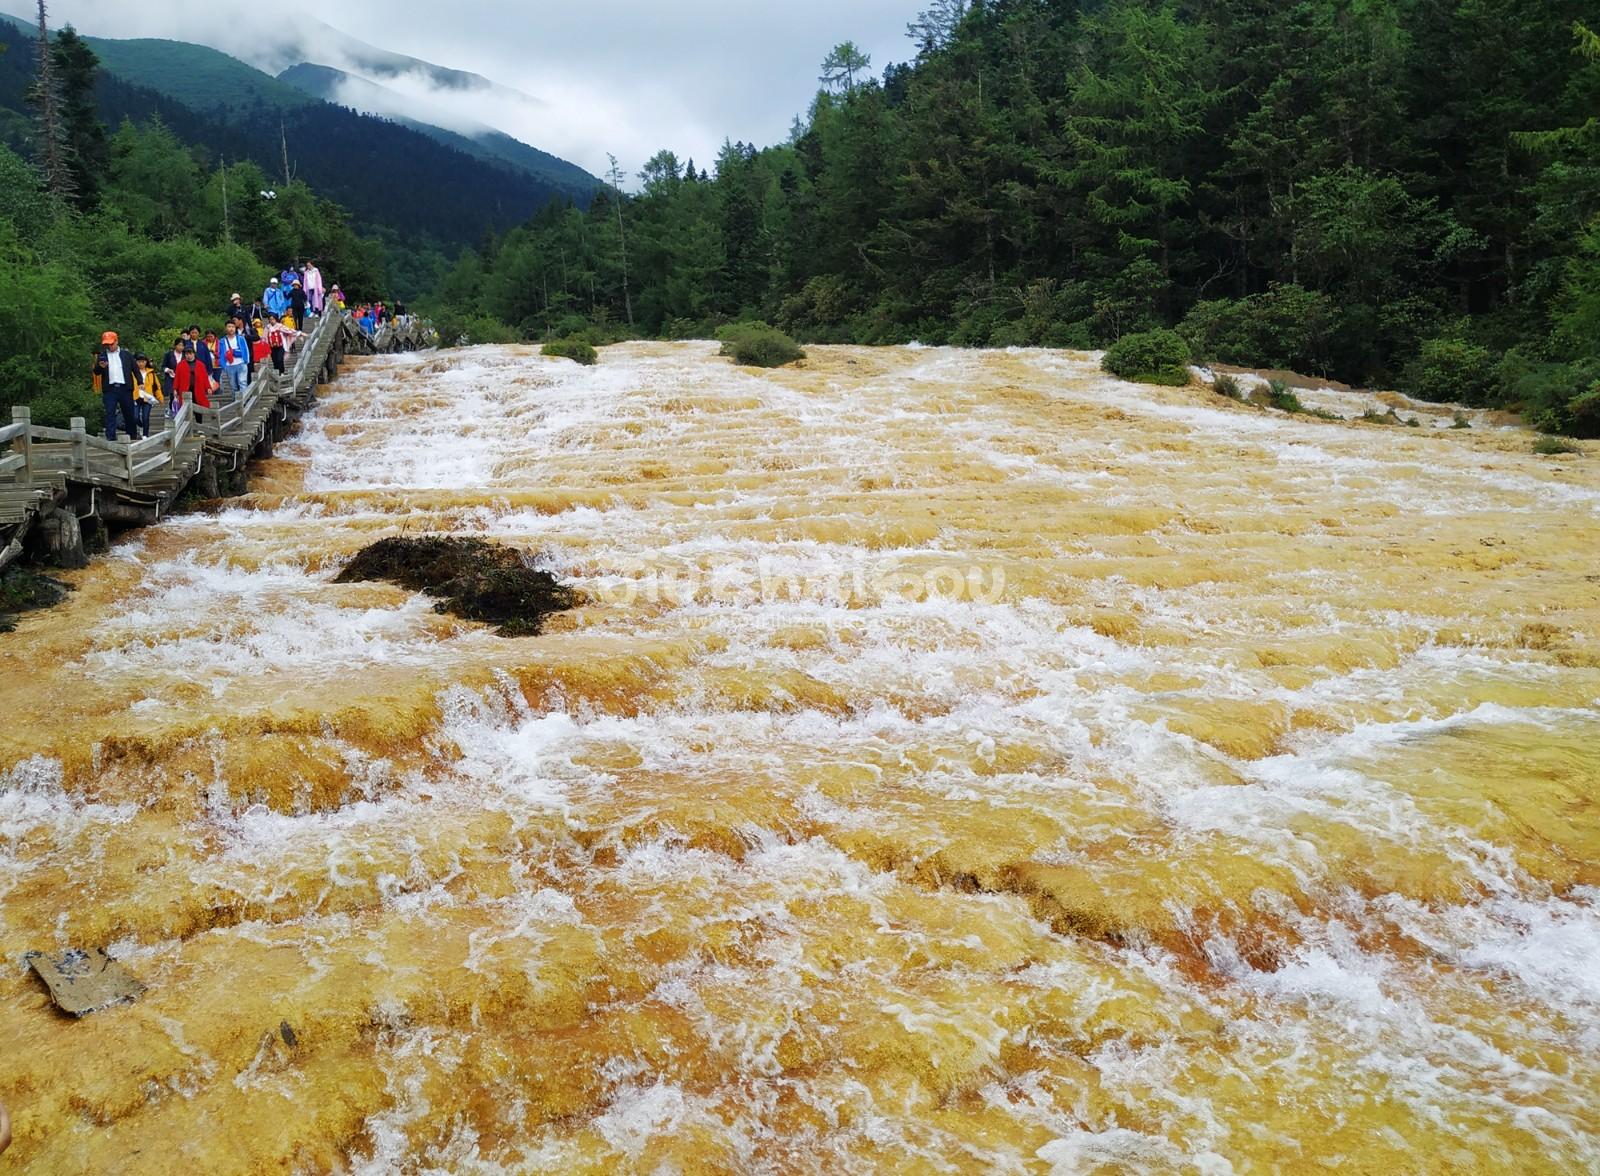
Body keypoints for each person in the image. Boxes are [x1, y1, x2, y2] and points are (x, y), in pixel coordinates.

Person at [91, 330, 139, 442]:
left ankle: (132, 436)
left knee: (129, 413)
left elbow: (135, 369)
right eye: (107, 344)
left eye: (111, 343)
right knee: (110, 412)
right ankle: (110, 437)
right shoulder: (102, 356)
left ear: (117, 341)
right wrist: (100, 367)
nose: (109, 346)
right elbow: (96, 372)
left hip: (125, 388)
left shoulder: (126, 354)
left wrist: (140, 382)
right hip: (110, 389)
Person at [173, 341, 213, 421]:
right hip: (185, 389)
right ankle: (188, 426)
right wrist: (175, 389)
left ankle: (199, 425)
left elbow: (205, 377)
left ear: (194, 354)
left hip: (198, 389)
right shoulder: (180, 365)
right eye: (187, 354)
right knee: (186, 408)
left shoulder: (200, 364)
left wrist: (208, 387)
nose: (188, 355)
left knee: (198, 406)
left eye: (190, 353)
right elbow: (177, 378)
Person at [131, 353, 163, 439]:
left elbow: (156, 386)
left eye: (143, 361)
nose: (141, 364)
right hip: (136, 396)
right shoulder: (132, 372)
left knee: (146, 417)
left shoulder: (151, 373)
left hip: (147, 397)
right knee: (135, 417)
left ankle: (145, 434)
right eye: (139, 362)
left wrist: (160, 398)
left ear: (146, 362)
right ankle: (140, 426)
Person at [217, 321, 250, 397]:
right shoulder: (222, 341)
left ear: (235, 328)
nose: (231, 329)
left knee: (242, 382)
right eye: (229, 327)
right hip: (229, 365)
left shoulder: (240, 338)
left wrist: (235, 353)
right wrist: (223, 365)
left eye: (233, 327)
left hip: (241, 363)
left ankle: (243, 401)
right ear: (226, 328)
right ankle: (235, 402)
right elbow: (221, 353)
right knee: (233, 386)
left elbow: (245, 350)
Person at [160, 334, 184, 407]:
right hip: (171, 378)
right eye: (179, 345)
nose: (181, 347)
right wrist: (168, 370)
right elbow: (163, 366)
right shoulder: (169, 354)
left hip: (182, 378)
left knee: (182, 394)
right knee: (172, 394)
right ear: (175, 345)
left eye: (182, 346)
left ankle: (180, 409)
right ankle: (171, 409)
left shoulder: (185, 355)